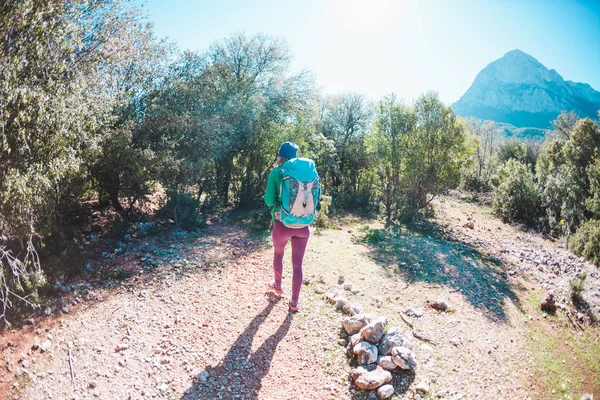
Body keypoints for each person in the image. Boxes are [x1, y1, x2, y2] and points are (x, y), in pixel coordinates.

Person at [263, 141, 319, 312]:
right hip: (303, 226)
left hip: (282, 225)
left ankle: (278, 286)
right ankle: (294, 303)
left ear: (281, 156)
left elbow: (269, 201)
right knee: (298, 265)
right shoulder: (309, 174)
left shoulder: (277, 173)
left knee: (279, 254)